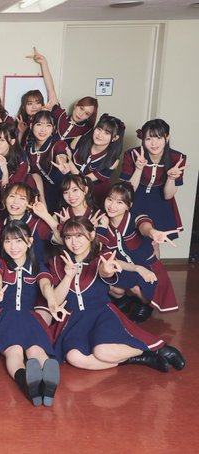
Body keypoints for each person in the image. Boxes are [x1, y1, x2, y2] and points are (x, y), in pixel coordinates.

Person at [49, 217, 185, 372]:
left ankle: (157, 350)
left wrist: (132, 268)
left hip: (101, 314)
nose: (74, 242)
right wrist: (68, 276)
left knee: (102, 351)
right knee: (74, 357)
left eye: (79, 235)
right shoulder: (57, 262)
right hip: (73, 319)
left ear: (92, 235)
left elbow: (108, 267)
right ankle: (139, 357)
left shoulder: (101, 258)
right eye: (68, 237)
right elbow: (55, 301)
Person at [0, 221, 61, 406]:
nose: (13, 247)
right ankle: (32, 383)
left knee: (35, 349)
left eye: (18, 241)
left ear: (29, 242)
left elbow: (45, 284)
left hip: (29, 317)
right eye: (8, 241)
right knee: (15, 350)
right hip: (5, 317)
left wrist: (52, 301)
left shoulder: (38, 266)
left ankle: (41, 383)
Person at [98, 182, 179, 322]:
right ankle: (125, 300)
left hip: (146, 265)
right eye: (110, 199)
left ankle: (145, 304)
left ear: (128, 206)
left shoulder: (135, 217)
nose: (112, 206)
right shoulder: (102, 221)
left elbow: (144, 225)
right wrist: (101, 227)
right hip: (123, 265)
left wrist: (152, 232)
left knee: (136, 288)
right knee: (106, 283)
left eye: (119, 202)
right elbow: (103, 252)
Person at [119, 119, 187, 256]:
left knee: (154, 243)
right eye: (149, 138)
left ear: (167, 138)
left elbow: (168, 195)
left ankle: (156, 270)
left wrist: (171, 178)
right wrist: (139, 169)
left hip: (160, 201)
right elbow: (128, 190)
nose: (154, 143)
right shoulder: (132, 154)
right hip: (135, 198)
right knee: (128, 241)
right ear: (143, 139)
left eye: (158, 138)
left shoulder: (177, 158)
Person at [67, 114, 126, 207]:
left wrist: (69, 162)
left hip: (94, 197)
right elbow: (62, 156)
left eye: (107, 133)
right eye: (99, 129)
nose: (100, 135)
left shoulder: (113, 161)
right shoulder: (79, 140)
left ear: (115, 138)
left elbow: (83, 181)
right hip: (69, 190)